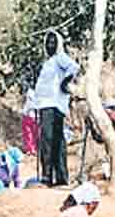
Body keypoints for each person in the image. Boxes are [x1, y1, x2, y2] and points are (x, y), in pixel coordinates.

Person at [34, 31, 80, 187]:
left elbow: (73, 67)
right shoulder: (48, 62)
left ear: (58, 44)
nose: (49, 45)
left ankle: (51, 176)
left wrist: (64, 83)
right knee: (52, 141)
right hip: (45, 105)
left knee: (51, 141)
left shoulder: (60, 58)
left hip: (53, 105)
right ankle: (55, 176)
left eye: (53, 42)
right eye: (48, 43)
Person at [21, 88, 40, 156]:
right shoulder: (31, 92)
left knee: (32, 134)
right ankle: (30, 149)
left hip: (33, 116)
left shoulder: (32, 92)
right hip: (30, 116)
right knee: (30, 134)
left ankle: (32, 149)